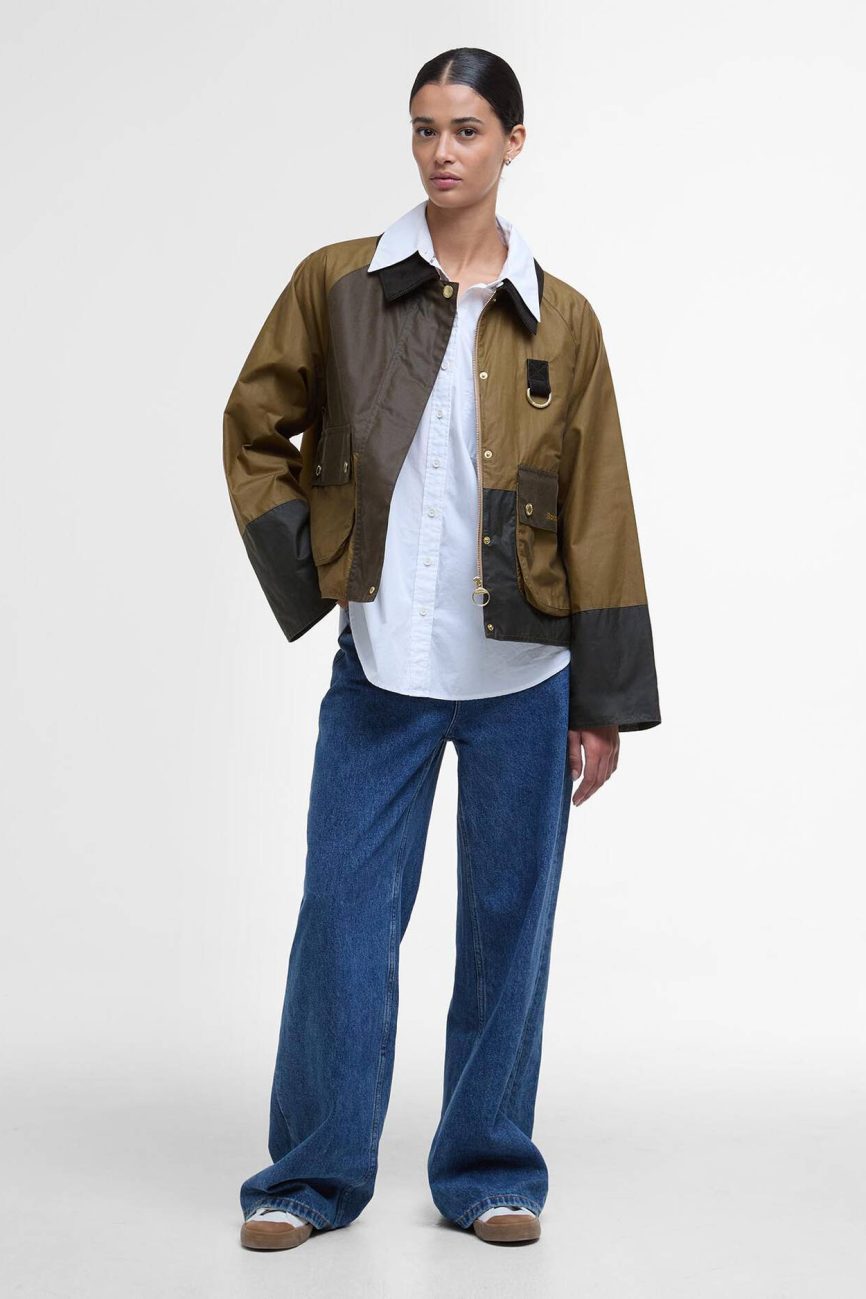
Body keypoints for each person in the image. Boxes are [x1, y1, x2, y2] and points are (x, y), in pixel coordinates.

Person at [222, 47, 661, 1252]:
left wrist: (601, 700)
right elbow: (254, 426)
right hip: (382, 667)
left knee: (508, 932)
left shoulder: (561, 318)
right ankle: (310, 1178)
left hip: (525, 676)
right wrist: (313, 567)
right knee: (341, 920)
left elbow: (598, 507)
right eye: (423, 128)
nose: (439, 152)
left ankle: (487, 1172)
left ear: (512, 142)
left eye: (465, 130)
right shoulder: (340, 284)